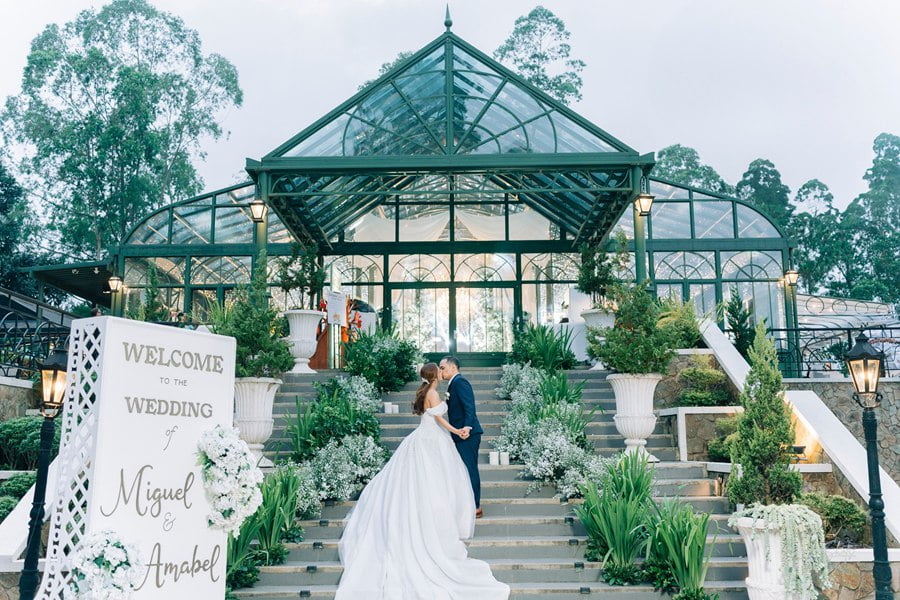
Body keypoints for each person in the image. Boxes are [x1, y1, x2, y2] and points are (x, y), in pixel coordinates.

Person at [335, 363, 509, 599]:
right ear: (434, 375)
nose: (441, 371)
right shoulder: (433, 393)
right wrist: (457, 432)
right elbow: (439, 421)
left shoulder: (428, 391)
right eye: (439, 369)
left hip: (426, 438)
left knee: (430, 479)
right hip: (433, 440)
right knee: (433, 479)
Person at [440, 355, 485, 518]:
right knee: (464, 470)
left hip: (468, 435)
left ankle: (476, 507)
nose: (440, 371)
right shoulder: (453, 385)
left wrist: (467, 427)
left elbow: (469, 407)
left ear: (453, 367)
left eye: (443, 368)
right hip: (460, 434)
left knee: (469, 469)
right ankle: (468, 504)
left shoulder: (460, 382)